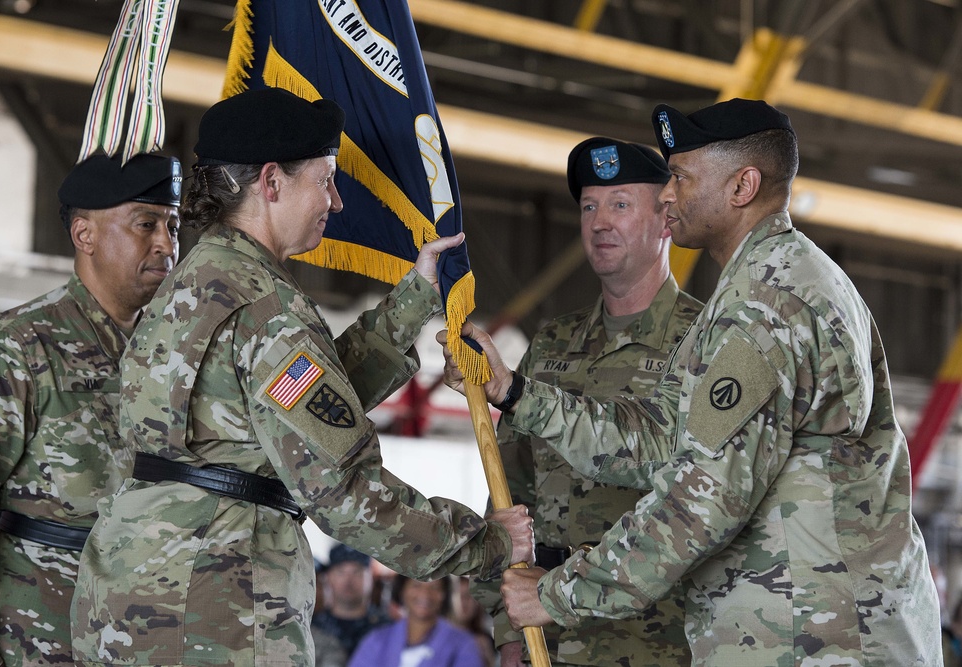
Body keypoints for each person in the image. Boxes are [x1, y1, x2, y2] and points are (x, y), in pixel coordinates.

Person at [442, 98, 942, 665]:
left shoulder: (765, 302)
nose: (670, 193)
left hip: (816, 639)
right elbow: (665, 441)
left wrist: (559, 594)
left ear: (742, 186)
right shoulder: (768, 283)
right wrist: (516, 392)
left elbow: (701, 499)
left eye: (680, 176)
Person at [69, 87, 533, 666]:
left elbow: (296, 413)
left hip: (131, 602)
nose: (336, 202)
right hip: (216, 612)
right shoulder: (265, 307)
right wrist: (485, 544)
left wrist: (414, 299)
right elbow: (343, 488)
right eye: (326, 179)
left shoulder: (195, 282)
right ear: (271, 182)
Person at [469, 138, 700, 667]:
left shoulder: (703, 339)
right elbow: (508, 487)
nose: (599, 223)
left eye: (620, 205)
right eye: (588, 207)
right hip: (542, 635)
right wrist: (508, 627)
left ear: (666, 220)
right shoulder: (553, 342)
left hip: (653, 638)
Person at [0, 153, 181, 666]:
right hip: (39, 642)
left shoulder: (176, 352)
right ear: (85, 235)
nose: (167, 244)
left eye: (174, 226)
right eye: (146, 224)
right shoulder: (15, 346)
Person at [349, 575, 483, 667]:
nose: (425, 594)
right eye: (416, 585)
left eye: (435, 588)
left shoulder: (463, 644)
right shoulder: (376, 640)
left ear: (445, 595)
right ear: (402, 590)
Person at [314, 544, 391, 658]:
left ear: (370, 578)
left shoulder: (386, 628)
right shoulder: (313, 627)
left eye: (357, 572)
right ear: (329, 577)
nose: (348, 581)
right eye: (341, 572)